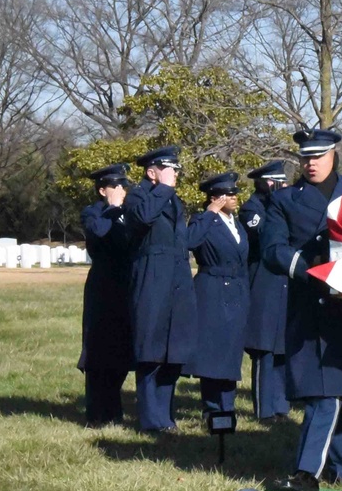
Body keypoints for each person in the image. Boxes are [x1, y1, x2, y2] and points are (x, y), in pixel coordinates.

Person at [261, 129, 342, 491]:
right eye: (305, 157)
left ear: (334, 155)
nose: (311, 163)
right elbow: (272, 249)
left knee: (328, 392)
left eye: (318, 156)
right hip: (307, 305)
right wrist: (310, 270)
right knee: (319, 392)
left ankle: (307, 472)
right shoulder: (285, 200)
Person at [123, 146, 197, 434]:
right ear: (152, 171)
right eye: (169, 169)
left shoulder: (172, 199)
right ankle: (151, 418)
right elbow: (142, 219)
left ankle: (166, 415)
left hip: (177, 280)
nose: (175, 174)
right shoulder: (139, 196)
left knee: (172, 351)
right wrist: (163, 189)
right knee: (151, 351)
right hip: (152, 279)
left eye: (176, 170)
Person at [184, 171, 250, 418]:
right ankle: (212, 408)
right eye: (229, 194)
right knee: (212, 351)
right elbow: (189, 241)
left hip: (236, 289)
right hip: (211, 289)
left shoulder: (237, 223)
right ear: (216, 197)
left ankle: (228, 405)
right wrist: (209, 213)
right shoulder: (203, 220)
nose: (234, 198)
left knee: (231, 349)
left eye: (235, 193)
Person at [78, 163, 134, 428]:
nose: (122, 190)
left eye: (124, 186)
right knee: (99, 350)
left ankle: (114, 408)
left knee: (122, 350)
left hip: (127, 284)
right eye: (116, 186)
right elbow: (97, 233)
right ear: (102, 190)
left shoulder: (128, 212)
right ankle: (96, 412)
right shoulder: (93, 212)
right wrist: (112, 208)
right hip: (103, 286)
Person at [240, 160, 290, 423]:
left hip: (282, 284)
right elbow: (262, 234)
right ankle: (264, 409)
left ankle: (281, 405)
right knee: (264, 351)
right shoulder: (252, 208)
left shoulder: (282, 208)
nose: (279, 186)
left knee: (282, 349)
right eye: (273, 182)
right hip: (262, 283)